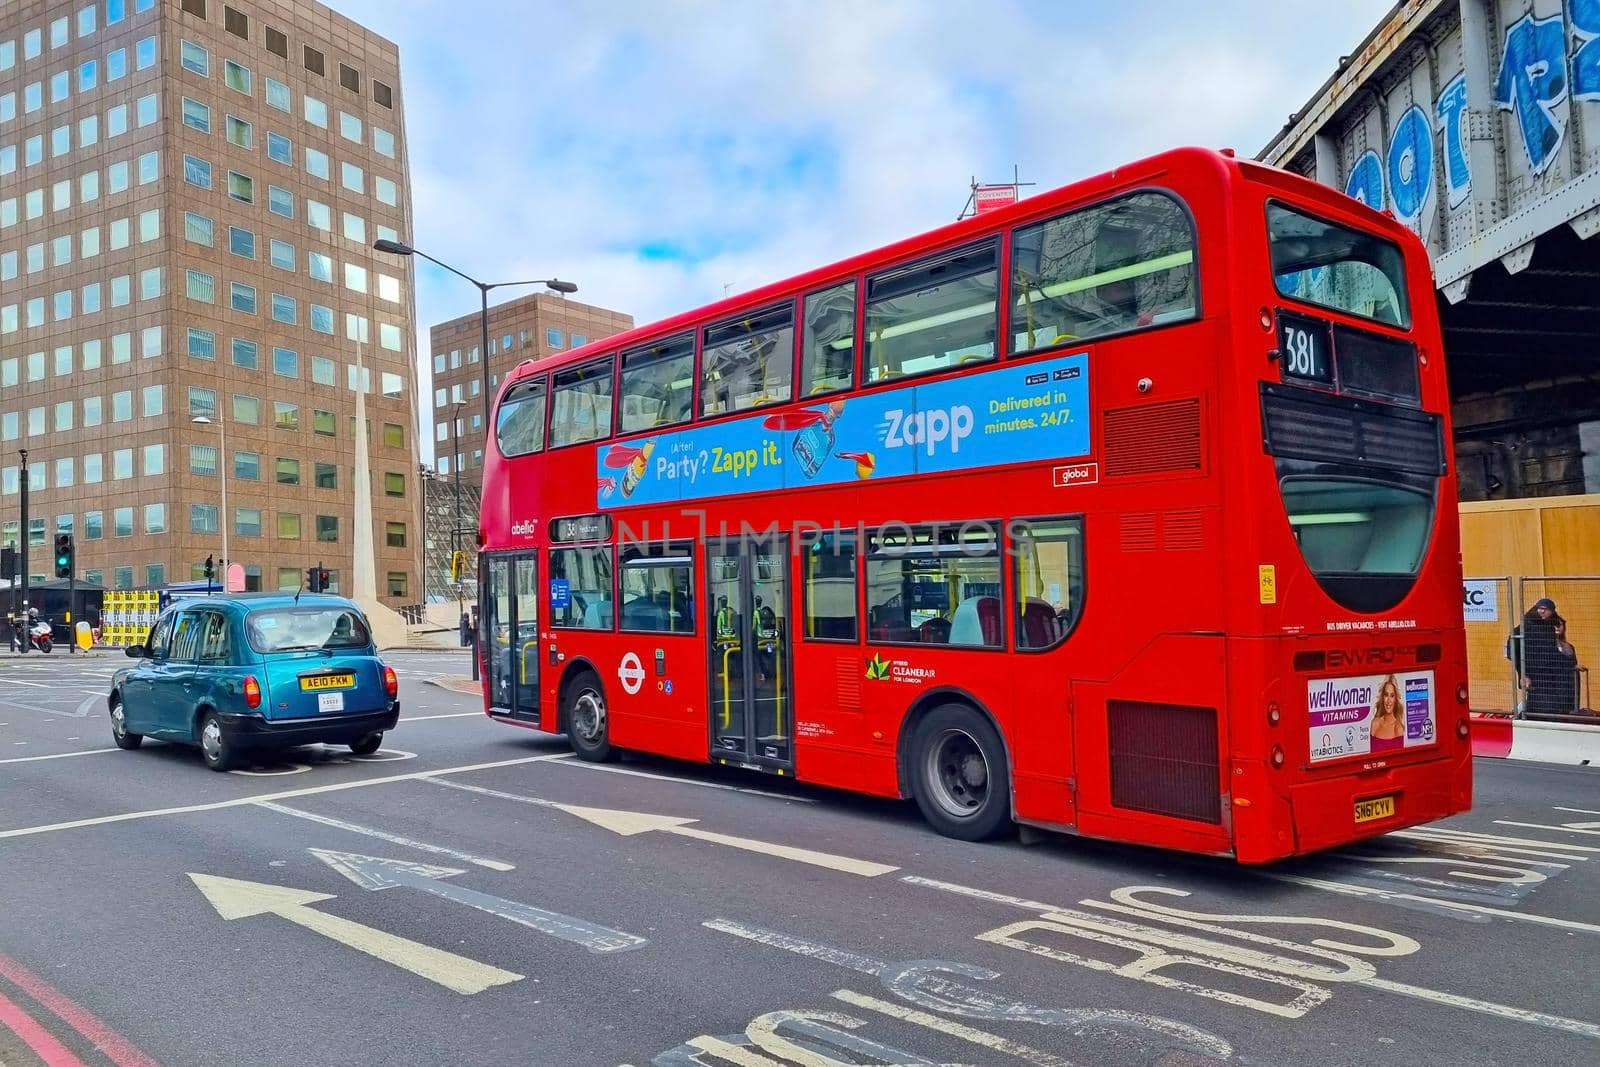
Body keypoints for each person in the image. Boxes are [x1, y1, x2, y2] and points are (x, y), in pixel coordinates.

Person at [1507, 598, 1579, 716]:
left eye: (1545, 609)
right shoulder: (1526, 625)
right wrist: (1523, 674)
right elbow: (1513, 649)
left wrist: (1572, 665)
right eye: (1539, 608)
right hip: (1535, 674)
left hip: (1552, 678)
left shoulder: (1551, 626)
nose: (1541, 612)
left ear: (1551, 611)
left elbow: (1556, 655)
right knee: (1539, 707)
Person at [1369, 676, 1405, 752]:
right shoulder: (1375, 724)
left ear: (1395, 699)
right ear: (1382, 697)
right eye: (1386, 695)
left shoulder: (1398, 728)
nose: (1388, 700)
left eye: (1392, 696)